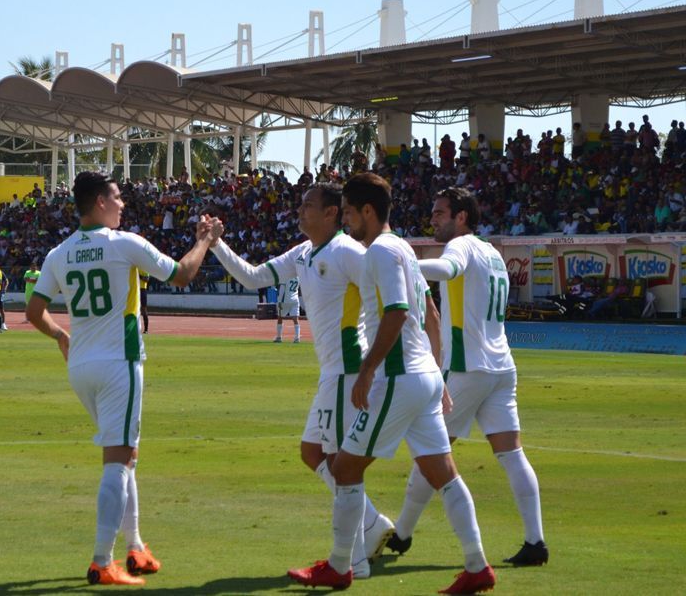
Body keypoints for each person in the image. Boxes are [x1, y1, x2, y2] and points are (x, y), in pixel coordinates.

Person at [287, 173, 495, 594]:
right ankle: (476, 565)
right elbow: (430, 313)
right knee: (445, 475)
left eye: (347, 212)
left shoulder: (380, 252)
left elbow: (398, 313)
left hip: (398, 378)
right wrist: (437, 375)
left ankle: (342, 566)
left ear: (367, 211)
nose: (344, 220)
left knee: (344, 469)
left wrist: (366, 371)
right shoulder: (402, 247)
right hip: (422, 380)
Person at [25, 171, 216, 586]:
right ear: (99, 202)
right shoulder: (123, 242)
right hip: (120, 362)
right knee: (117, 462)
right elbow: (182, 274)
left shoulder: (60, 252)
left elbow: (33, 311)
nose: (122, 204)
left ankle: (136, 546)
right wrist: (204, 240)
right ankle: (101, 560)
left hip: (81, 366)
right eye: (116, 198)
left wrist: (61, 335)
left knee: (126, 457)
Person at [207, 182, 396, 580]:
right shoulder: (304, 253)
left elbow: (385, 289)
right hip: (330, 372)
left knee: (342, 465)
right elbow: (253, 277)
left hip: (348, 370)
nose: (300, 210)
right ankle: (372, 523)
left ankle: (355, 560)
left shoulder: (347, 251)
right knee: (313, 453)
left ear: (332, 213)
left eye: (309, 205)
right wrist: (216, 245)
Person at [385, 187, 548, 568]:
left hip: (467, 368)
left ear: (461, 217)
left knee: (431, 453)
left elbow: (447, 268)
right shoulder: (493, 252)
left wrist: (404, 263)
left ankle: (403, 534)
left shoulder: (461, 247)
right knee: (511, 454)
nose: (434, 218)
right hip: (501, 367)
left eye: (441, 212)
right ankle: (535, 540)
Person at [274, 277, 301, 343]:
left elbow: (282, 290)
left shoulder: (285, 277)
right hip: (295, 300)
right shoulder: (298, 278)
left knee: (280, 317)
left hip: (285, 300)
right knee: (295, 319)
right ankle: (297, 337)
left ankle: (279, 337)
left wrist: (279, 301)